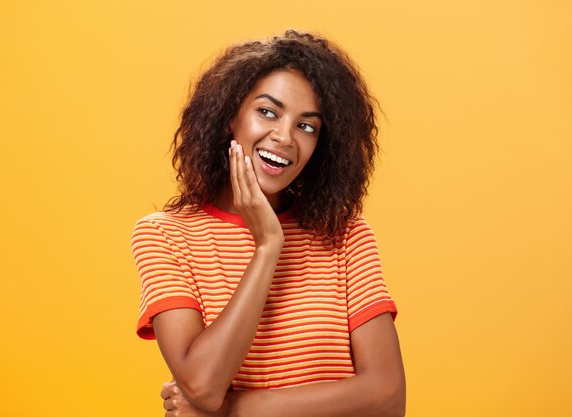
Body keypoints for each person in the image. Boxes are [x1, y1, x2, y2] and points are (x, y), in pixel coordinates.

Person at [130, 30, 406, 417]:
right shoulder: (165, 235)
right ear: (230, 116)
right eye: (268, 112)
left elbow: (387, 397)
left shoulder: (345, 233)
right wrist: (267, 247)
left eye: (306, 126)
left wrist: (234, 411)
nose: (285, 137)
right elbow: (203, 386)